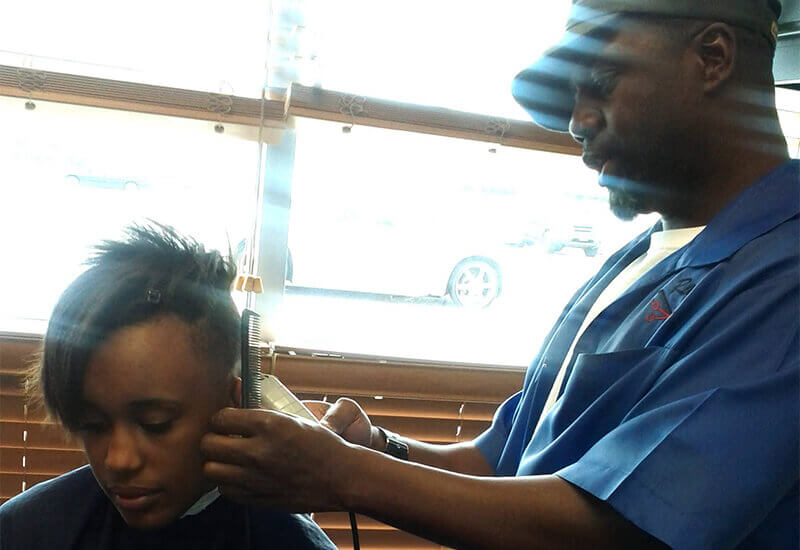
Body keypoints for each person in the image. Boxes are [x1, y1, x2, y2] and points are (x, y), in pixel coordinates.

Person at [200, 1, 799, 548]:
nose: (576, 121)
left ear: (712, 57)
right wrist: (381, 449)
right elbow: (506, 461)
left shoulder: (784, 274)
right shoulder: (638, 262)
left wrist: (343, 473)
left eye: (600, 85)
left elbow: (616, 527)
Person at [0, 224, 336, 550]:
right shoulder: (23, 531)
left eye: (155, 423)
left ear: (238, 404)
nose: (118, 461)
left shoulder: (291, 541)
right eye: (93, 425)